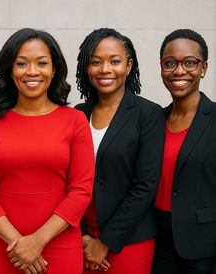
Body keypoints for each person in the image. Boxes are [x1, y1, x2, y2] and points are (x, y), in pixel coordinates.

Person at [0, 28, 94, 274]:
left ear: (54, 69)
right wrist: (18, 244)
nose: (32, 71)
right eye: (22, 63)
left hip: (59, 246)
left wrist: (36, 242)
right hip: (1, 246)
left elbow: (81, 190)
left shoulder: (75, 120)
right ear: (10, 70)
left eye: (42, 63)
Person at [75, 28, 165, 273]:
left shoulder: (148, 114)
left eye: (114, 61)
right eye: (96, 62)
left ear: (128, 65)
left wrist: (105, 242)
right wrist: (83, 238)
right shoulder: (78, 113)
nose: (105, 69)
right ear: (86, 67)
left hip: (129, 239)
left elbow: (145, 185)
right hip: (78, 238)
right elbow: (67, 179)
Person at [151, 29, 216, 274]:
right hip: (158, 241)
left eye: (190, 62)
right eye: (170, 63)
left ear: (204, 68)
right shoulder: (155, 120)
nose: (179, 71)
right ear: (161, 68)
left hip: (204, 245)